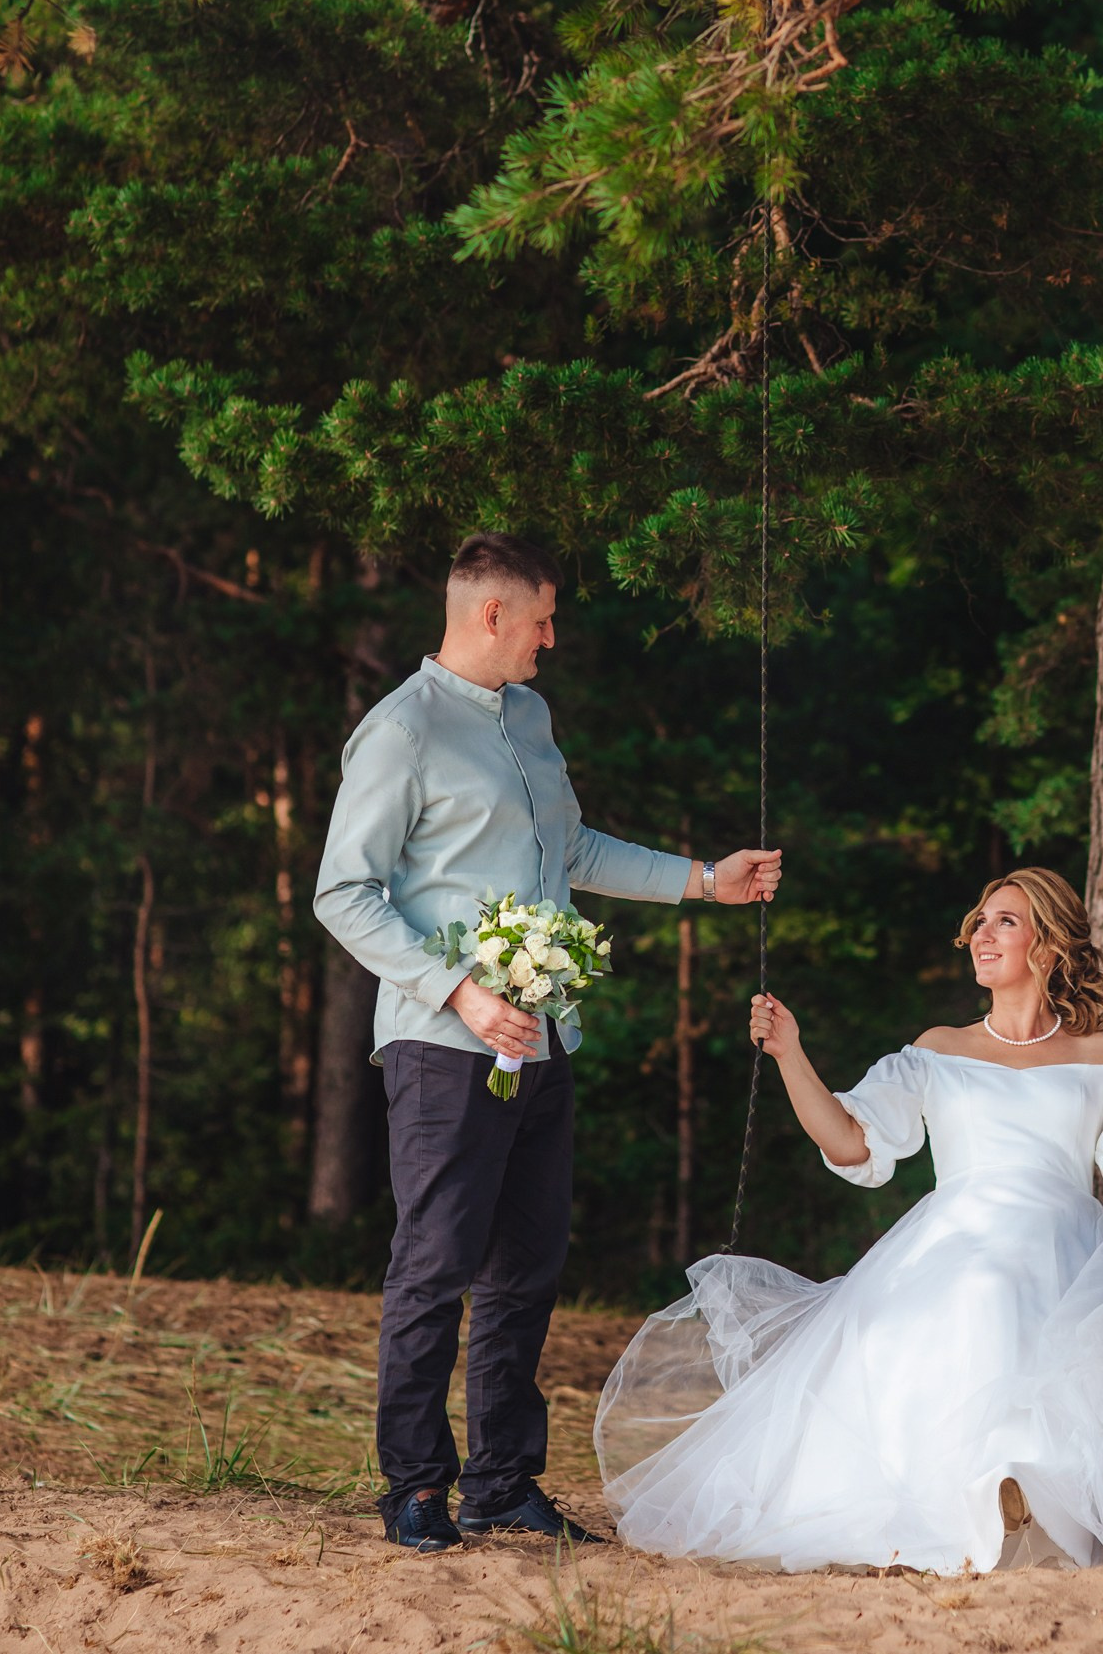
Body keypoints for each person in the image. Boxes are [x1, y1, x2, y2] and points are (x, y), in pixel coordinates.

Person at [313, 532, 782, 1552]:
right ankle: (415, 1485)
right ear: (492, 614)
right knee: (434, 1265)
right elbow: (341, 891)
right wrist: (459, 993)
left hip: (545, 1039)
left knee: (527, 1266)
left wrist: (706, 876)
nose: (552, 638)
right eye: (543, 619)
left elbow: (573, 850)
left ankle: (501, 1479)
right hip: (445, 1047)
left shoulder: (529, 715)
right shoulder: (403, 729)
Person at [595, 867, 1103, 1573]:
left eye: (1004, 920)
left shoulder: (1098, 1054)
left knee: (1003, 1282)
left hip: (1060, 1235)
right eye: (978, 919)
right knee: (976, 1286)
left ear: (1049, 944)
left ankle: (1026, 1488)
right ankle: (983, 1488)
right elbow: (849, 1139)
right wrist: (789, 1053)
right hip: (959, 1229)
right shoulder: (940, 1048)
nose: (980, 933)